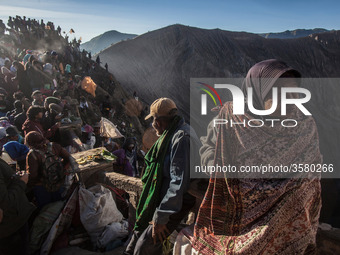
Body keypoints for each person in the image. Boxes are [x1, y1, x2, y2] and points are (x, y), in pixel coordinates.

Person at [192, 59, 323, 254]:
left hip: (291, 234)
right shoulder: (229, 120)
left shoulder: (304, 125)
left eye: (295, 92)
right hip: (239, 229)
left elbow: (313, 175)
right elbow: (209, 149)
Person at [123, 98, 200, 255]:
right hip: (163, 198)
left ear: (160, 120)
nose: (152, 124)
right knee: (135, 241)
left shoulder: (181, 138)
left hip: (175, 202)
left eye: (154, 119)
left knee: (145, 246)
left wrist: (161, 216)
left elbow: (179, 183)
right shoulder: (170, 134)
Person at [25, 131, 74, 209]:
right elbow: (69, 158)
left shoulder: (32, 154)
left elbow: (33, 175)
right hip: (58, 181)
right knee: (59, 205)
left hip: (42, 186)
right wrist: (62, 169)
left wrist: (28, 184)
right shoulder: (54, 146)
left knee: (45, 208)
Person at [0, 157, 36, 255]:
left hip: (15, 222)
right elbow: (5, 202)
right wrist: (22, 182)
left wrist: (15, 178)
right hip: (12, 228)